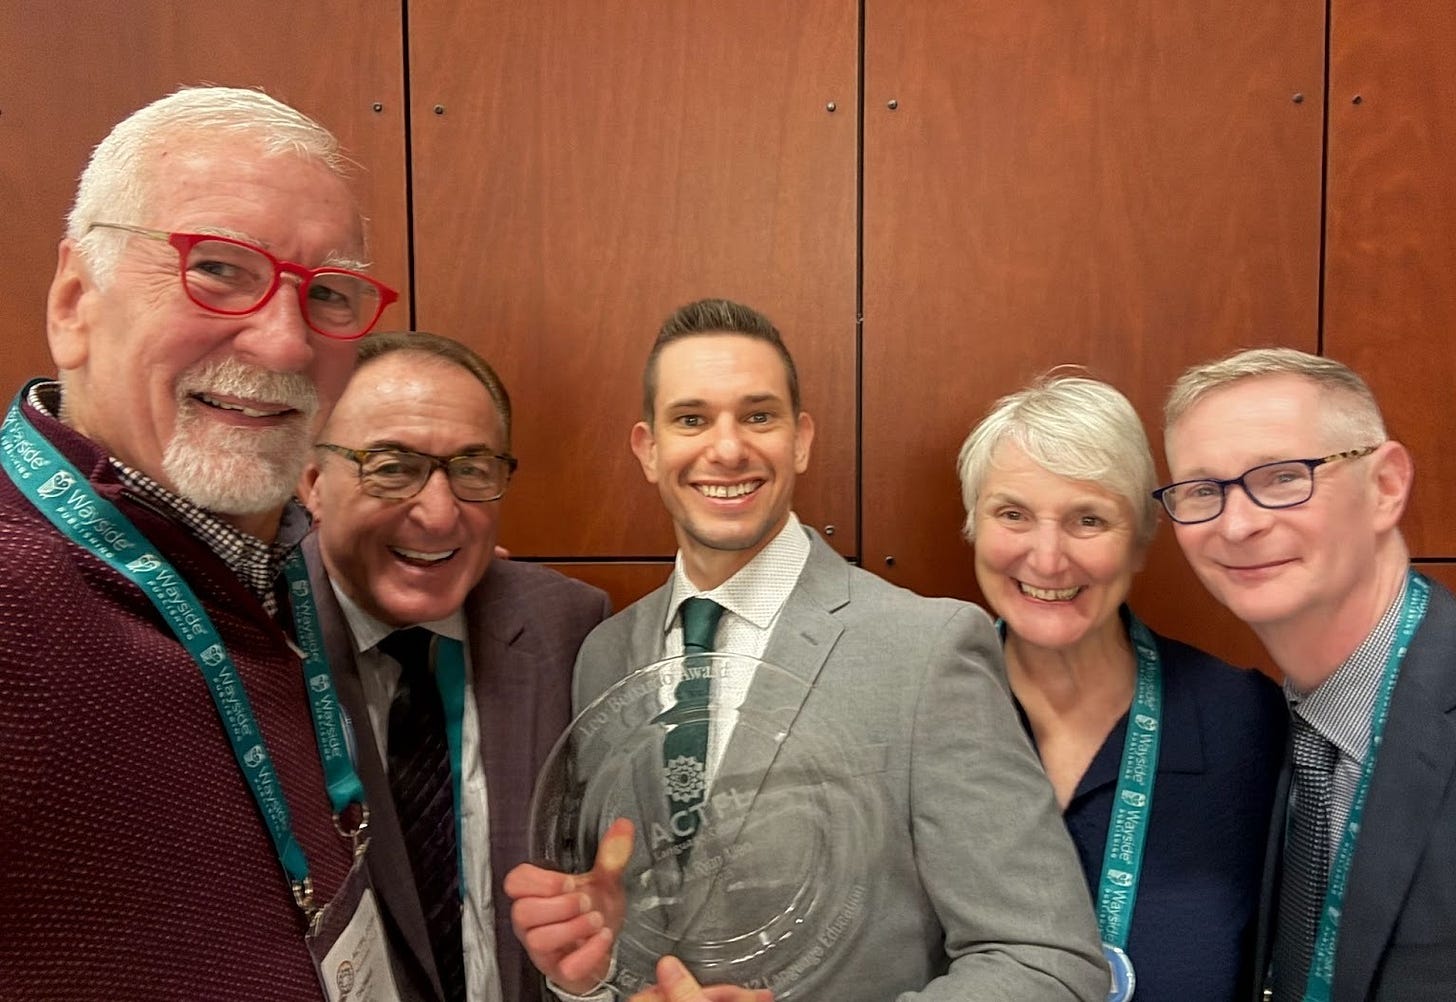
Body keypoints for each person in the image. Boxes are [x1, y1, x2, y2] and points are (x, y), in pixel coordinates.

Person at [505, 299, 1109, 1001]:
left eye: (758, 416)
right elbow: (628, 930)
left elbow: (1046, 964)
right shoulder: (606, 655)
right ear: (648, 449)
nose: (726, 449)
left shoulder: (927, 650)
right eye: (691, 419)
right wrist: (589, 976)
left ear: (801, 439)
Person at [0, 87, 399, 999]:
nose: (286, 343)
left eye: (329, 292)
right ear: (73, 302)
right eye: (217, 269)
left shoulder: (271, 575)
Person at [299, 330, 611, 1002]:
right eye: (391, 466)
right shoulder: (257, 647)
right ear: (313, 484)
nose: (440, 515)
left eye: (472, 469)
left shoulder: (569, 627)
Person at [956, 374, 1286, 1001]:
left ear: (1140, 541)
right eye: (1013, 515)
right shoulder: (916, 711)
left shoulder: (1243, 721)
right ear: (974, 526)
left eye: (1089, 519)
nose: (1048, 559)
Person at [1158, 347, 1456, 1001]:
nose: (1237, 524)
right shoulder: (1256, 734)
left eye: (1283, 477)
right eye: (1203, 491)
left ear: (1384, 487)